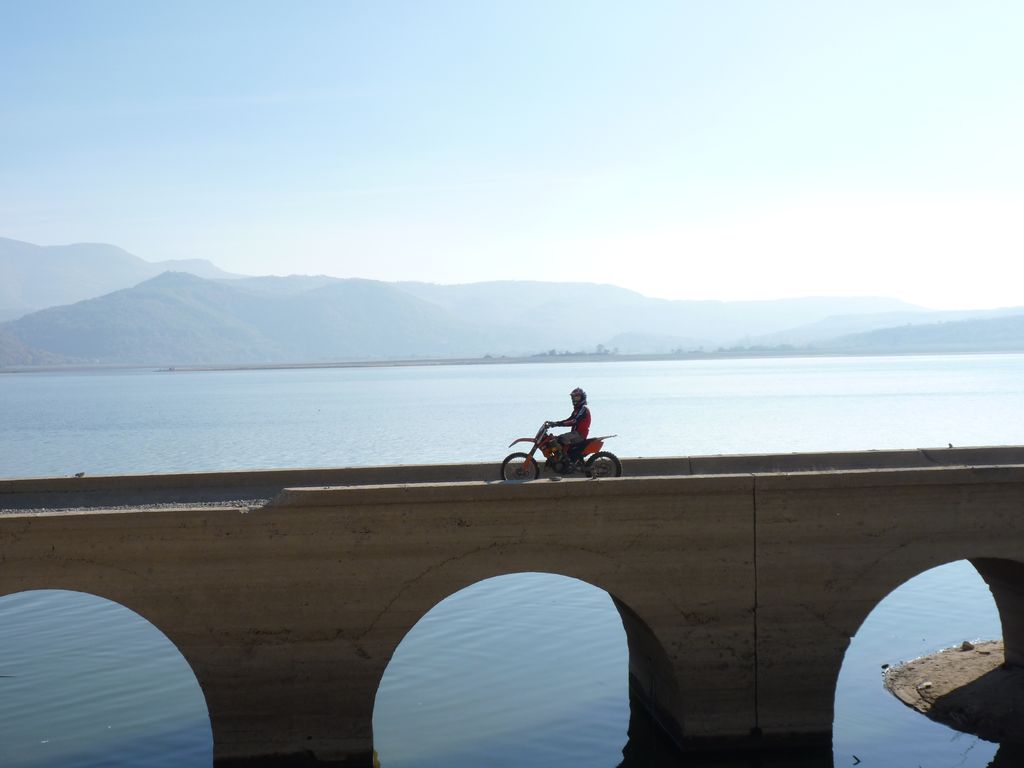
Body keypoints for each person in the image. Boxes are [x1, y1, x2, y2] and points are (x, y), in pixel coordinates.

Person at [545, 387, 591, 468]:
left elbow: (573, 421)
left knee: (561, 439)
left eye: (577, 397)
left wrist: (556, 424)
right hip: (575, 433)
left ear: (582, 397)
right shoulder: (577, 410)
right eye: (574, 397)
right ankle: (564, 459)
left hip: (580, 434)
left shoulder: (583, 409)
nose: (574, 399)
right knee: (555, 439)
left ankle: (565, 460)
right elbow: (569, 420)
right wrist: (555, 423)